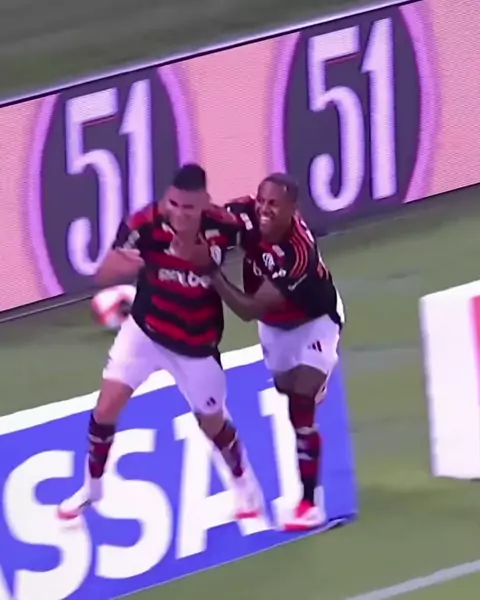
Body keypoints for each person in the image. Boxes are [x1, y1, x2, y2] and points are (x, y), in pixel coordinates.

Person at [57, 164, 263, 521]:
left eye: (189, 208)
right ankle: (92, 488)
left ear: (205, 203)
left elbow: (260, 235)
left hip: (196, 346)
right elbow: (103, 274)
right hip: (145, 333)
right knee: (105, 410)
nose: (179, 214)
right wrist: (120, 268)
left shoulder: (225, 225)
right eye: (173, 204)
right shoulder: (144, 225)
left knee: (213, 425)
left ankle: (245, 486)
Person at [178, 173, 345, 531]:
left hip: (315, 322)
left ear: (292, 209)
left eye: (274, 205)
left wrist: (211, 271)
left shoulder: (297, 254)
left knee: (300, 404)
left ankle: (309, 504)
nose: (265, 210)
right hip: (275, 328)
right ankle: (309, 384)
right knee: (285, 386)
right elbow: (209, 221)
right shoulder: (245, 213)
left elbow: (248, 309)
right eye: (262, 201)